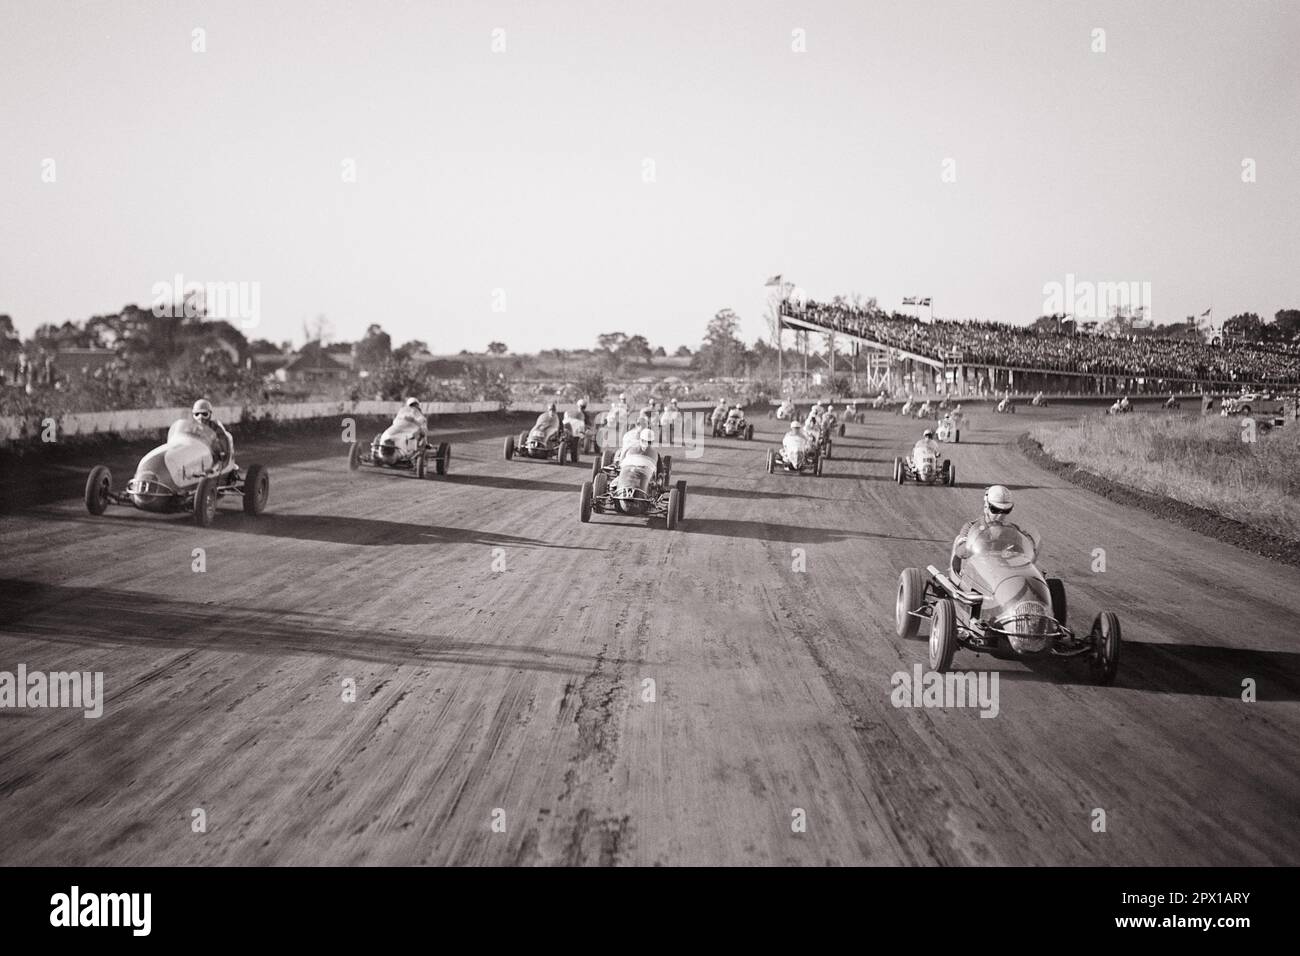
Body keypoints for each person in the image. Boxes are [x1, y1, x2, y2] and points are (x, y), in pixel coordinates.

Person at [950, 485, 1034, 576]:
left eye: (1006, 511)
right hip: (975, 577)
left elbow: (1023, 556)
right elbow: (960, 552)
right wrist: (977, 543)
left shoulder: (1013, 531)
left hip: (1003, 577)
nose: (1000, 515)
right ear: (986, 507)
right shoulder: (970, 527)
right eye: (996, 510)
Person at [190, 398, 235, 469]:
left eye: (204, 414)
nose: (200, 417)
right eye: (197, 414)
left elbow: (223, 444)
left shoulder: (216, 428)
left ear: (210, 414)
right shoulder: (192, 428)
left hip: (214, 458)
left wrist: (221, 457)